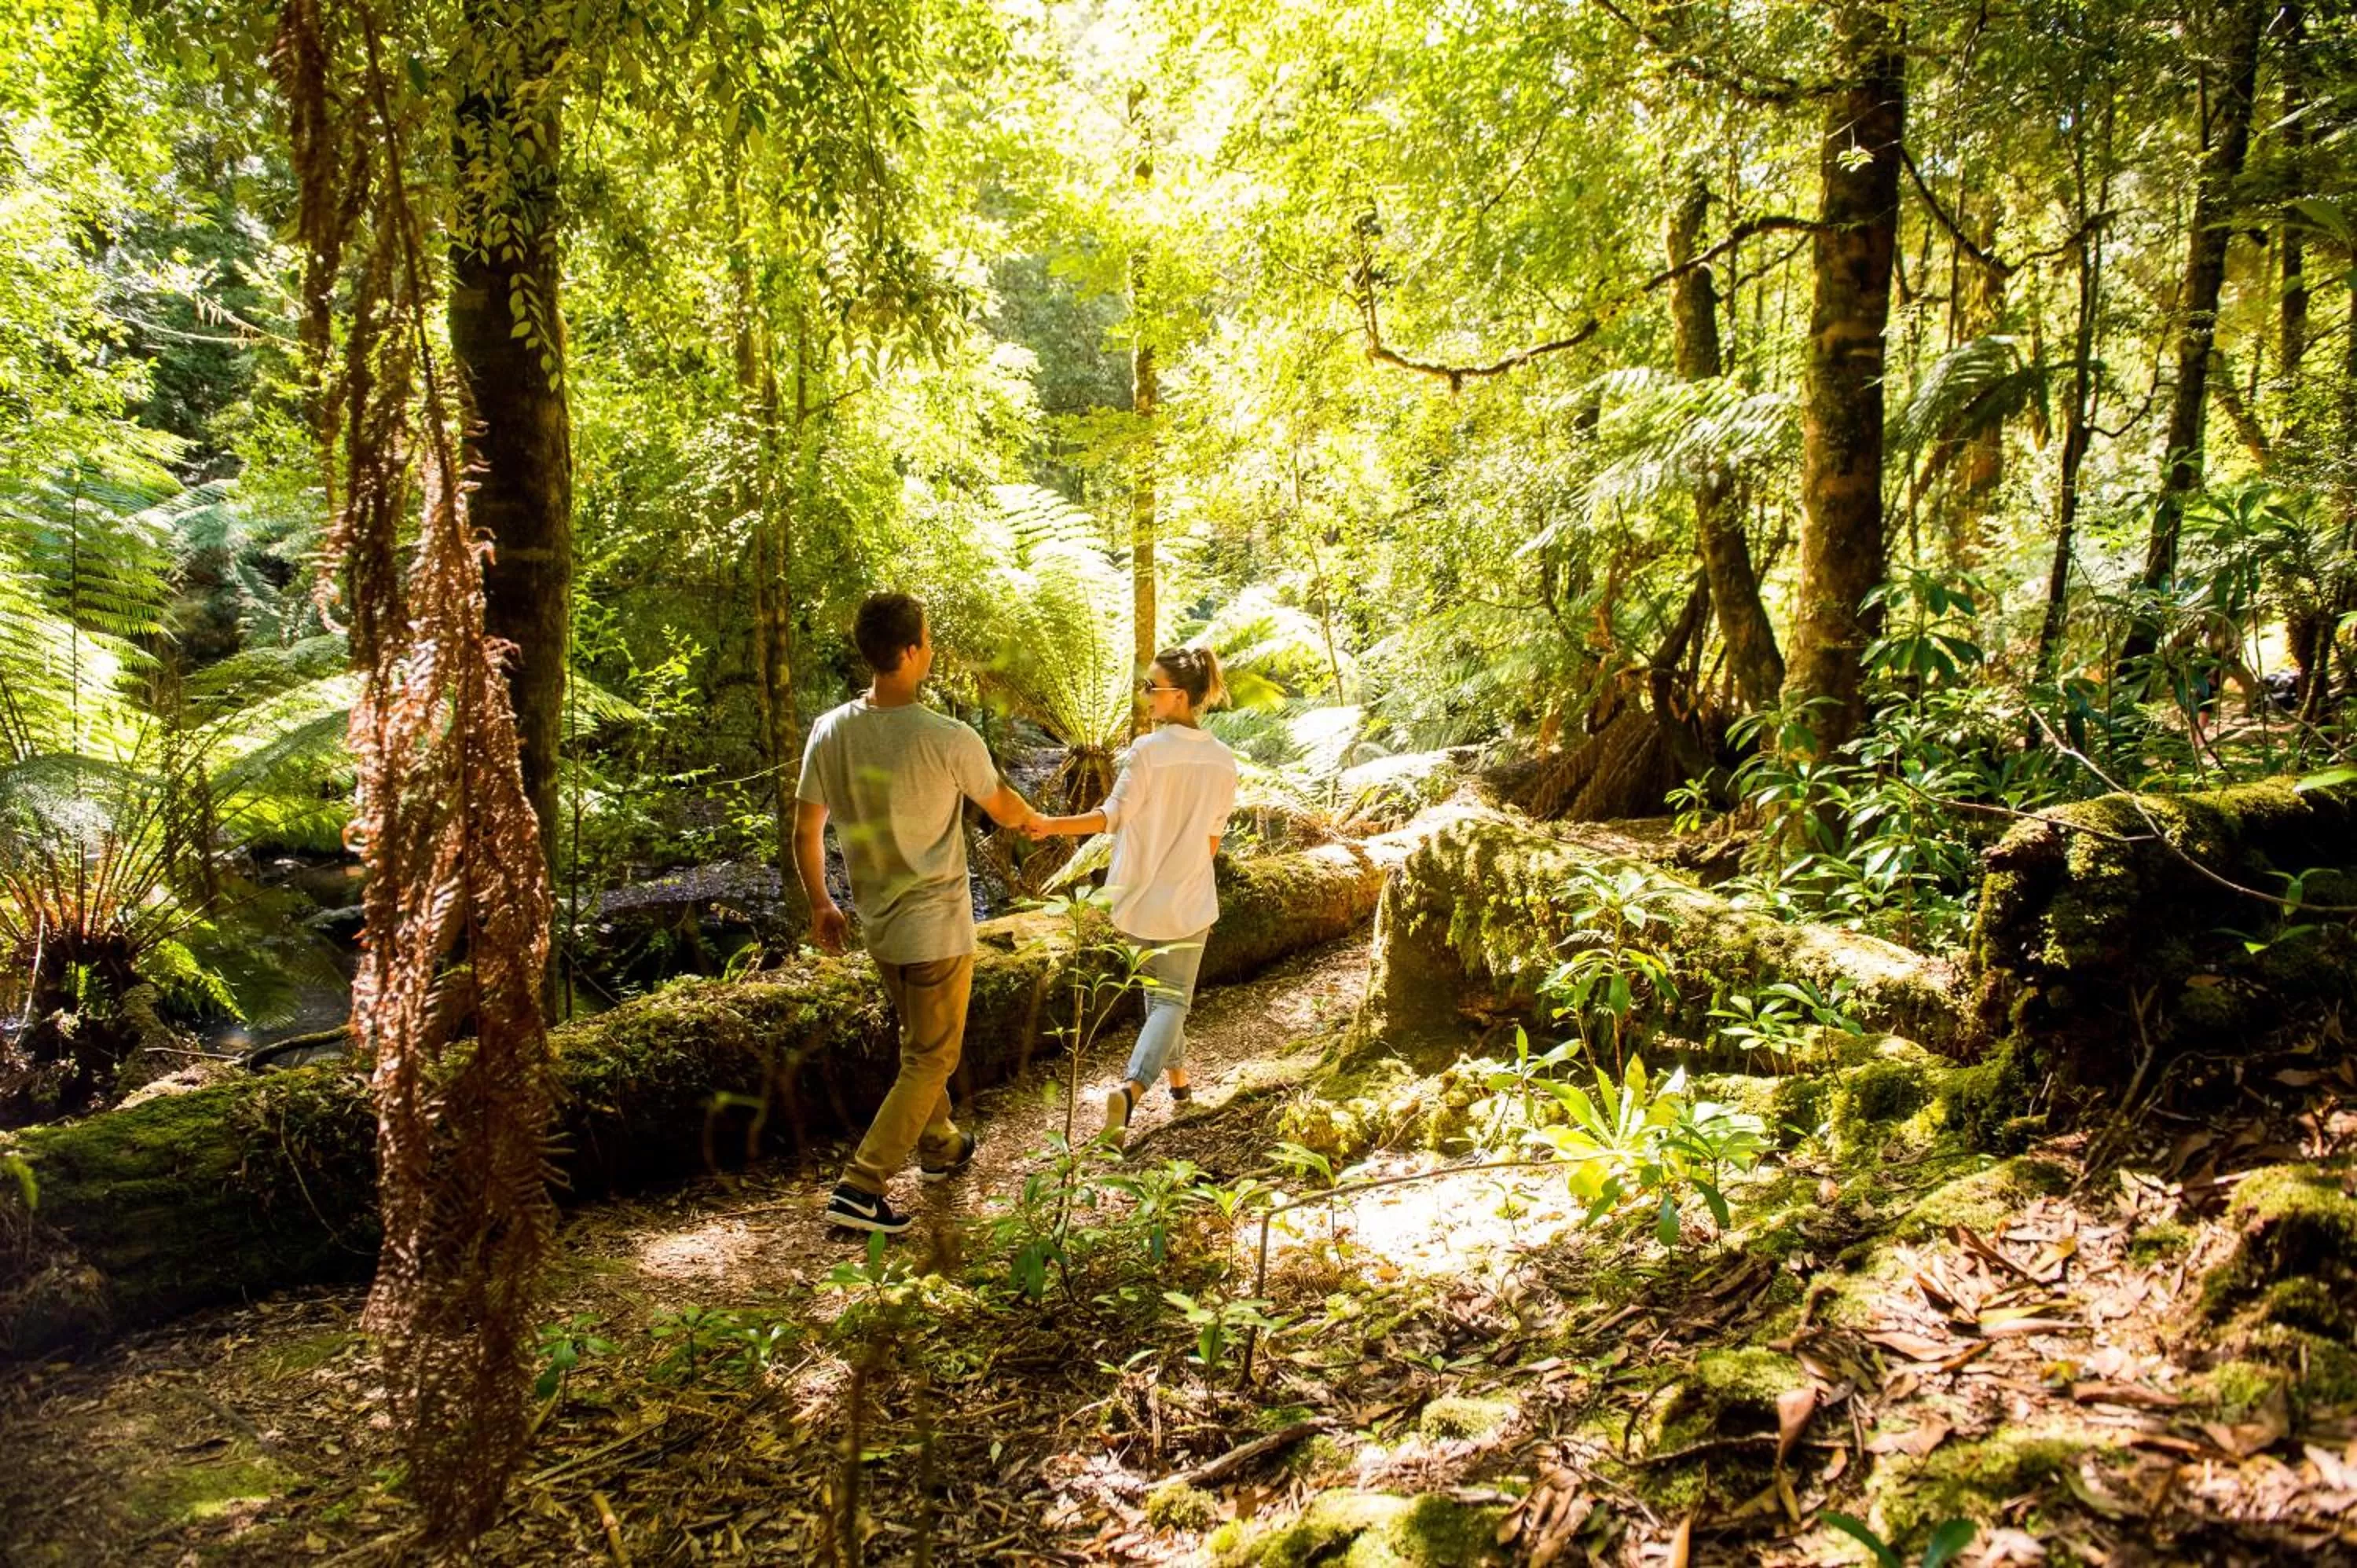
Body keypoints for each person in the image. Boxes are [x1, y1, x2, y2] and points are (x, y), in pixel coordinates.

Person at [794, 592, 1043, 1236]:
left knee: (919, 1047)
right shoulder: (945, 737)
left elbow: (805, 830)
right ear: (909, 653)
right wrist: (1042, 822)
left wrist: (822, 902)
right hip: (935, 927)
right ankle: (861, 1184)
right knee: (932, 1057)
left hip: (877, 924)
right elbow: (1005, 809)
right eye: (926, 639)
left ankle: (939, 1147)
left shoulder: (831, 730)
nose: (930, 647)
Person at [1027, 647, 1238, 1149]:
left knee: (1159, 997)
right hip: (1187, 899)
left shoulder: (1146, 753)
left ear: (1179, 696)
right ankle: (1133, 1086)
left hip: (1138, 899)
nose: (1144, 696)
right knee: (1172, 1000)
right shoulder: (1221, 760)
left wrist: (1052, 825)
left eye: (1152, 688)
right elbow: (1211, 841)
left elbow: (1110, 817)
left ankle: (1180, 1085)